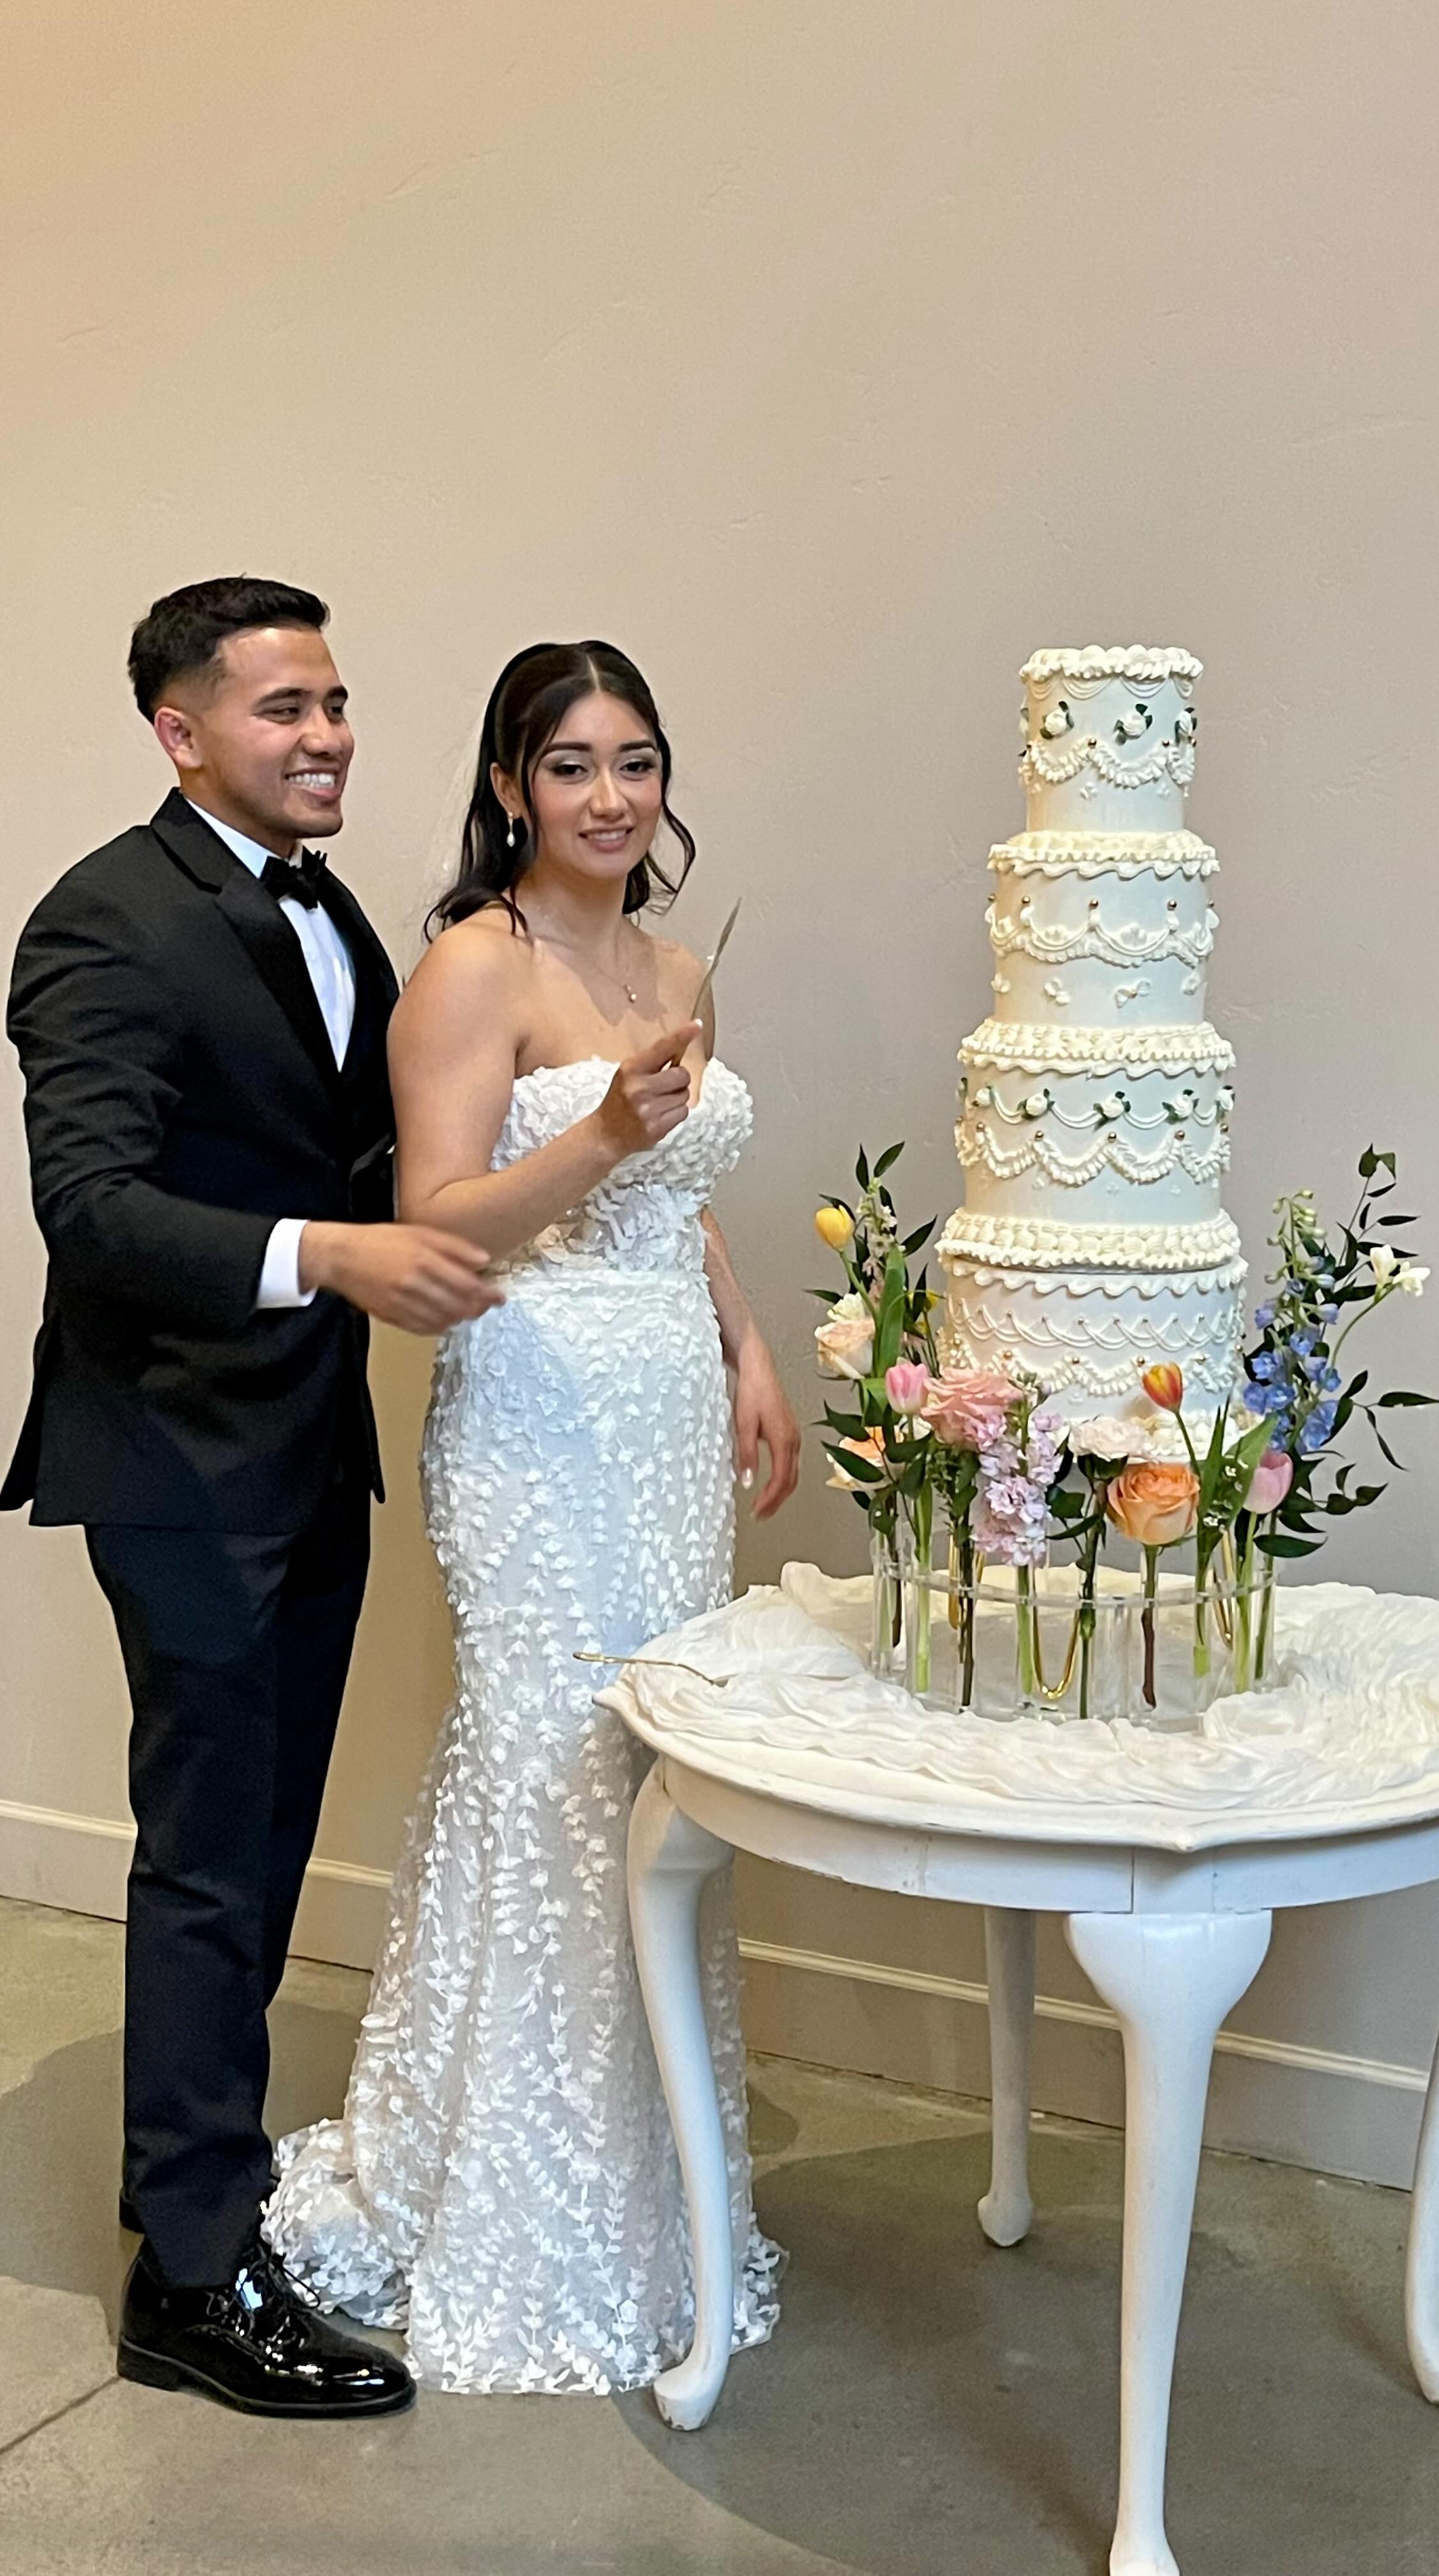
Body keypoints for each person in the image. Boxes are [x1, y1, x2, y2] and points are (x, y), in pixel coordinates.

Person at [266, 640, 800, 2392]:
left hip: (660, 1400)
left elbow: (688, 1197)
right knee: (549, 1761)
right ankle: (494, 2191)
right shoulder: (469, 970)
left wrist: (743, 1350)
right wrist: (603, 1140)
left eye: (633, 759)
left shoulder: (668, 959)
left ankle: (661, 2192)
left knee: (661, 1773)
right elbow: (438, 1226)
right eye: (567, 764)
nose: (606, 795)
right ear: (509, 787)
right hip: (536, 1406)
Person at [3, 577, 502, 2416]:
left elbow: (363, 1136)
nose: (328, 735)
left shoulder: (335, 911)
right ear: (179, 727)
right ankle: (189, 2282)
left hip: (301, 1453)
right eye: (285, 707)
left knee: (265, 1844)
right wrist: (336, 1259)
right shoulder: (102, 921)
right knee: (214, 1864)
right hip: (173, 1456)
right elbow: (98, 1208)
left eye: (339, 700)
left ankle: (206, 2194)